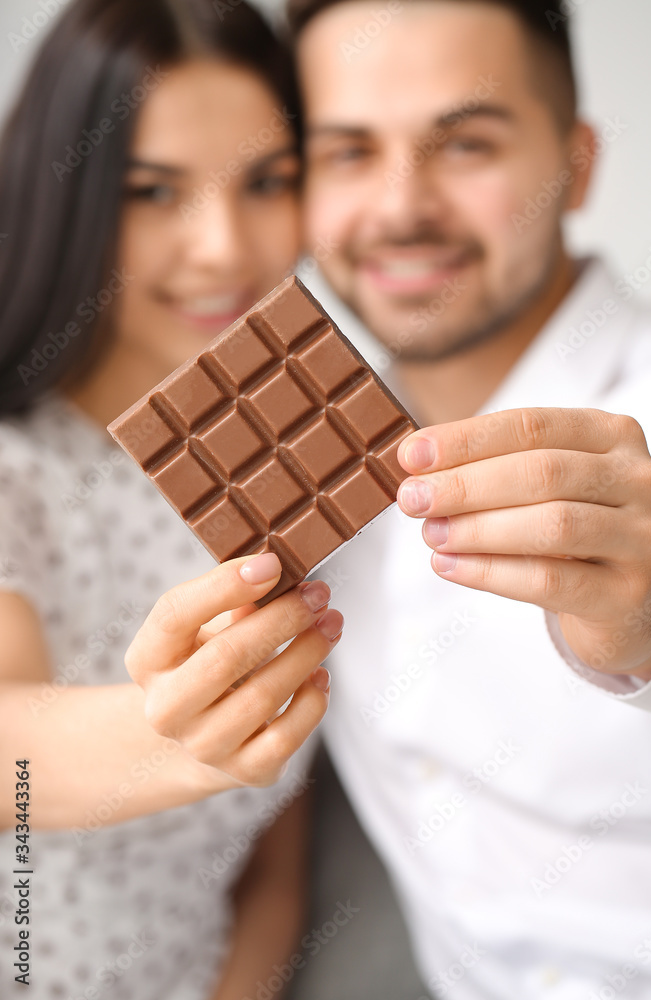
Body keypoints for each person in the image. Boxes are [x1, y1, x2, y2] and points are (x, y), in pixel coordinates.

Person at [287, 0, 651, 996]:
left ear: (577, 164)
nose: (401, 206)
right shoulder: (294, 465)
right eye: (349, 152)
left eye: (465, 144)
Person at [0, 1, 342, 997]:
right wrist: (176, 732)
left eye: (268, 182)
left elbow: (276, 852)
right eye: (154, 192)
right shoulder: (17, 463)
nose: (223, 248)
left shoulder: (309, 460)